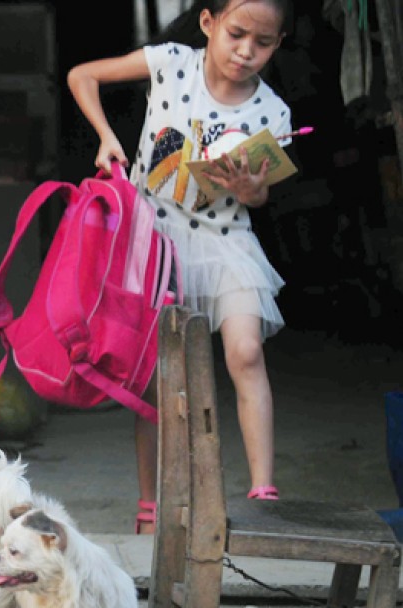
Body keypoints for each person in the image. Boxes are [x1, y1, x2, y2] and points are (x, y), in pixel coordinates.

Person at [67, 0, 294, 534]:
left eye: (262, 43)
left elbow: (259, 197)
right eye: (237, 34)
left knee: (246, 351)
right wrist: (105, 135)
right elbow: (82, 76)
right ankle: (152, 505)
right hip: (153, 238)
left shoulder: (273, 113)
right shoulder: (171, 62)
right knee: (156, 382)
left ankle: (262, 491)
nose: (246, 51)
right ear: (209, 23)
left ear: (277, 45)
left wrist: (249, 189)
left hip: (225, 241)